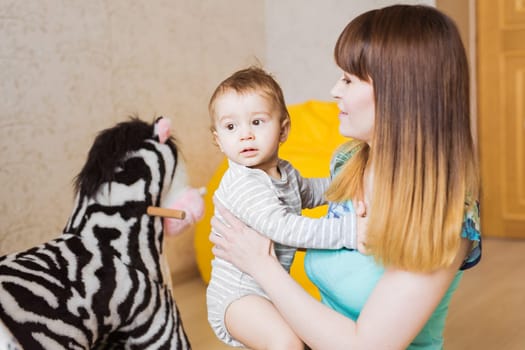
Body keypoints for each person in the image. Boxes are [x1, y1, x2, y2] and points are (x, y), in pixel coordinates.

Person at [210, 5, 482, 350]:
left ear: (399, 91)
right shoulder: (347, 163)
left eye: (349, 79)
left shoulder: (447, 216)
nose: (334, 91)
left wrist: (261, 265)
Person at [206, 66, 366, 349]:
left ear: (283, 130)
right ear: (219, 140)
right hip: (237, 294)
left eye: (257, 122)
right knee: (286, 343)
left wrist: (347, 183)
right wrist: (348, 231)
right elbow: (286, 228)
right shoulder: (244, 183)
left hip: (268, 287)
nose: (245, 135)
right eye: (231, 127)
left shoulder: (284, 172)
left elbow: (313, 192)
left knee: (306, 338)